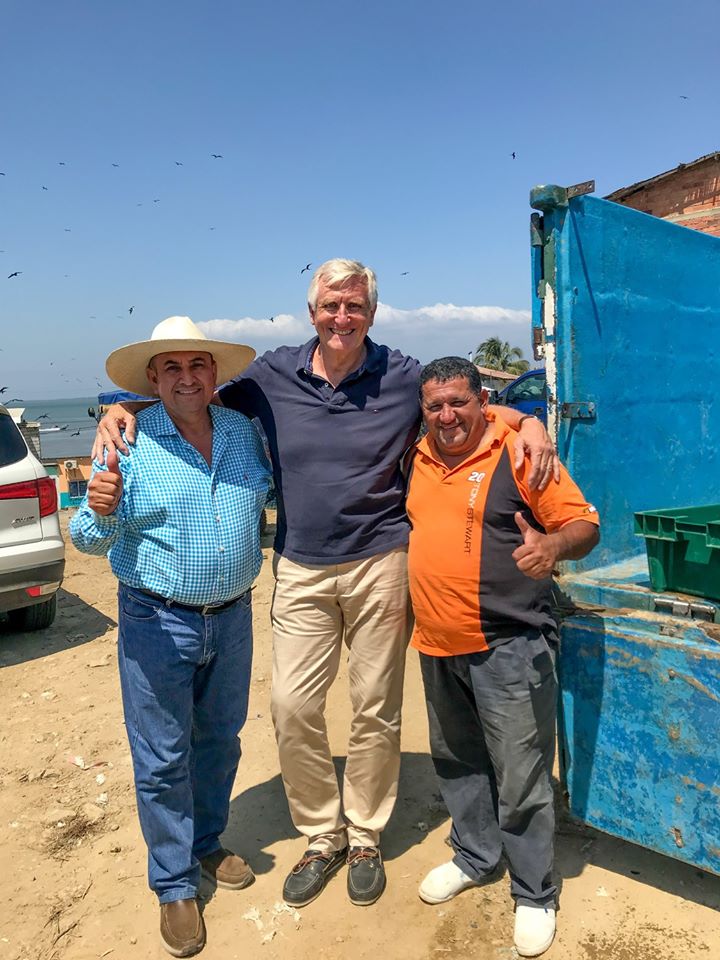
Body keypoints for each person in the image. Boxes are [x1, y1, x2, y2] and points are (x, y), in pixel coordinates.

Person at [93, 260, 558, 909]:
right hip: (301, 566)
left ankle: (363, 834)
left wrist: (528, 422)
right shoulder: (271, 375)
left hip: (380, 562)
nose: (343, 317)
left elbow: (464, 403)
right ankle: (321, 833)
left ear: (372, 312)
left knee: (376, 708)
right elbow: (192, 397)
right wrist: (123, 409)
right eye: (331, 305)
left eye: (355, 306)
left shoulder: (401, 374)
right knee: (291, 706)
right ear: (311, 312)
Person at [71, 316, 271, 958]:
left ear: (214, 374)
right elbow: (86, 539)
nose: (187, 378)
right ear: (153, 380)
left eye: (198, 365)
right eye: (173, 368)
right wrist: (98, 507)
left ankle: (206, 842)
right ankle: (174, 883)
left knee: (219, 741)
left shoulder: (243, 433)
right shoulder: (128, 440)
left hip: (233, 617)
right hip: (157, 621)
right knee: (161, 757)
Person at [406, 357, 599, 957]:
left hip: (509, 644)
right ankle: (475, 855)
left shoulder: (519, 453)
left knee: (521, 773)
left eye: (458, 402)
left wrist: (553, 546)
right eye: (435, 405)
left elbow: (585, 524)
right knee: (458, 760)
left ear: (482, 402)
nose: (447, 416)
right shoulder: (416, 454)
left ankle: (535, 891)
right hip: (437, 642)